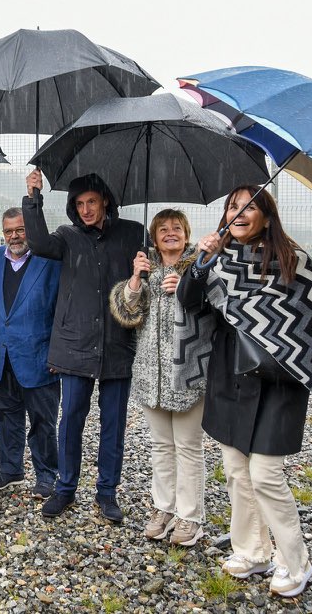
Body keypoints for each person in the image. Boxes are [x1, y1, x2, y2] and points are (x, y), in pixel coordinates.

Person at [177, 186, 312, 598]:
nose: (239, 212)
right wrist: (201, 260)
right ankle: (253, 551)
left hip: (278, 383)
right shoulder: (216, 260)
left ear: (267, 218)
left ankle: (296, 562)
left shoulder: (294, 261)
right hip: (231, 378)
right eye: (232, 207)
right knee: (237, 471)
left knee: (265, 475)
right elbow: (188, 300)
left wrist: (293, 350)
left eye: (249, 206)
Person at [22, 169, 144, 523]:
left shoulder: (133, 233)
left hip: (117, 344)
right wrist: (33, 199)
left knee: (113, 424)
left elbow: (142, 286)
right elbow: (39, 244)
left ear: (105, 199)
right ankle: (65, 488)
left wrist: (142, 267)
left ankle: (107, 493)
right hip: (74, 346)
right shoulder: (66, 236)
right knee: (71, 419)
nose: (87, 209)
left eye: (92, 201)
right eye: (80, 204)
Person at [109, 208, 205, 545]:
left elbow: (211, 310)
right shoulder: (146, 269)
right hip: (151, 373)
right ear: (154, 237)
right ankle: (164, 509)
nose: (170, 233)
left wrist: (186, 287)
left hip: (188, 372)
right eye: (162, 229)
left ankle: (190, 517)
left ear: (186, 233)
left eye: (176, 228)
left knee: (188, 447)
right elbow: (128, 313)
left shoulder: (199, 266)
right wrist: (135, 278)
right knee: (162, 446)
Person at [0, 207, 62, 500]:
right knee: (5, 416)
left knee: (43, 421)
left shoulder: (49, 262)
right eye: (8, 231)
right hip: (2, 356)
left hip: (38, 357)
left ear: (29, 229)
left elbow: (60, 312)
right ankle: (11, 469)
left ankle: (46, 476)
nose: (14, 236)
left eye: (20, 229)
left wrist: (57, 353)